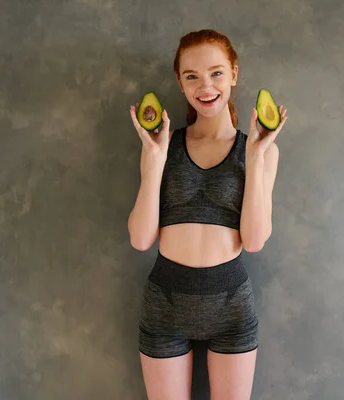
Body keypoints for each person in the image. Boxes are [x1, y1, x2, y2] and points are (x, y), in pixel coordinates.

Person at [127, 29, 288, 400]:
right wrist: (154, 160)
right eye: (192, 76)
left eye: (216, 73)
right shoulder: (162, 147)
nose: (206, 86)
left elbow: (255, 240)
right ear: (180, 84)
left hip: (231, 306)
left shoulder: (262, 152)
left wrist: (255, 157)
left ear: (234, 73)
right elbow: (139, 239)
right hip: (165, 303)